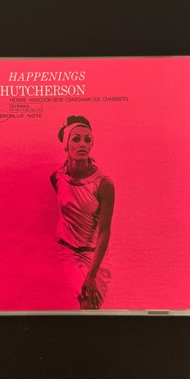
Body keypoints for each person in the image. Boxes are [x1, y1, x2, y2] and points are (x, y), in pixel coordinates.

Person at [50, 116, 115, 310]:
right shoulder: (56, 177)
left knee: (92, 306)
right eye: (76, 139)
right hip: (67, 251)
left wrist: (92, 274)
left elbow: (104, 231)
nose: (82, 144)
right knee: (83, 303)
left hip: (94, 256)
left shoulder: (104, 184)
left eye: (87, 140)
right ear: (66, 144)